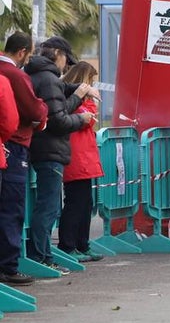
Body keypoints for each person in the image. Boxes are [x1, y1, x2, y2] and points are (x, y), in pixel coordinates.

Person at [26, 37, 97, 272]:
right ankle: (41, 257)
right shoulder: (48, 79)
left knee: (48, 207)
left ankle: (43, 254)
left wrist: (78, 90)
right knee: (48, 208)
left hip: (43, 148)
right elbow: (58, 119)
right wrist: (80, 115)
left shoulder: (42, 77)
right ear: (57, 53)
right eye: (66, 59)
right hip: (50, 150)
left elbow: (57, 98)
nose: (66, 65)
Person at [0, 33, 47, 285]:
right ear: (22, 52)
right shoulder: (15, 76)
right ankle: (8, 266)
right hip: (13, 146)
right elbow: (29, 112)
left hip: (7, 144)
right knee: (12, 207)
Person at [58, 61, 104, 262]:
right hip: (76, 157)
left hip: (84, 156)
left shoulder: (76, 100)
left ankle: (82, 244)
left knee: (85, 203)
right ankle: (68, 246)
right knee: (75, 203)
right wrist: (90, 102)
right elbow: (87, 119)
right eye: (90, 81)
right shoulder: (71, 99)